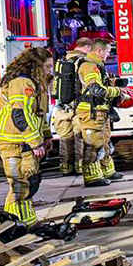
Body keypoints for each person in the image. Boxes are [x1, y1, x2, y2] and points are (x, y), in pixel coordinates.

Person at [0, 46, 54, 225]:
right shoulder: (22, 83)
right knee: (20, 184)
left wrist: (46, 137)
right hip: (12, 142)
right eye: (47, 67)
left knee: (29, 181)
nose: (50, 71)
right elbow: (20, 115)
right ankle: (17, 223)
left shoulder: (36, 83)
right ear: (36, 65)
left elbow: (39, 114)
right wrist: (36, 143)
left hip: (24, 141)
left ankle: (21, 221)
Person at [75, 32, 123, 187]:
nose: (108, 55)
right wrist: (117, 92)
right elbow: (96, 89)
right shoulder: (89, 66)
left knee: (104, 141)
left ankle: (107, 170)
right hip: (91, 111)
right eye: (108, 52)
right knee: (93, 144)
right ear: (99, 51)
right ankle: (92, 177)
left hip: (100, 110)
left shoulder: (97, 66)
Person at [51, 35, 90, 177]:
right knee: (79, 136)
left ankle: (65, 167)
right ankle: (80, 167)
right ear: (86, 48)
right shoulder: (83, 61)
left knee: (65, 138)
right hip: (77, 105)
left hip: (62, 107)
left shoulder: (61, 61)